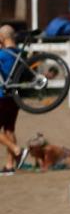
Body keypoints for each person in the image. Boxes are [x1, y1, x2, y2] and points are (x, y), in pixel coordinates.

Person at [0, 25, 28, 175]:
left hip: (1, 96)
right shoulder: (20, 53)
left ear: (2, 37)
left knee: (6, 130)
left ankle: (17, 150)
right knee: (9, 129)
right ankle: (9, 165)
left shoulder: (2, 54)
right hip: (15, 97)